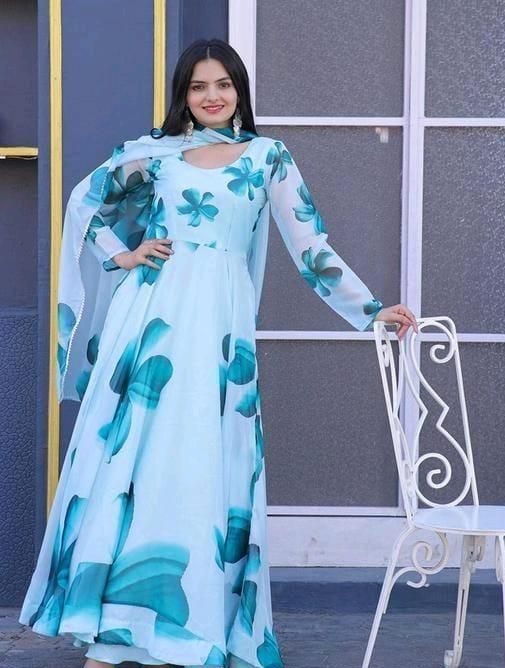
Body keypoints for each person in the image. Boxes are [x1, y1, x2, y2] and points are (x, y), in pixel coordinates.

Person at [17, 38, 418, 668]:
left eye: (223, 84)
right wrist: (124, 255)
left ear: (239, 90)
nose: (212, 96)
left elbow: (311, 246)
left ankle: (193, 629)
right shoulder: (155, 156)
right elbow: (84, 205)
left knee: (202, 465)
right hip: (151, 321)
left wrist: (369, 309)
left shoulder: (267, 157)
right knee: (133, 465)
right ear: (183, 94)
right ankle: (113, 633)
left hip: (220, 332)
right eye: (199, 86)